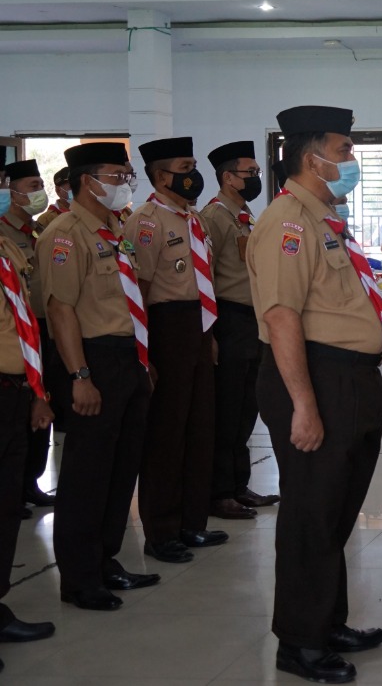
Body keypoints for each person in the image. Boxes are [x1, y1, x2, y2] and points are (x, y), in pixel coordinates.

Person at [248, 105, 382, 684]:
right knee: (311, 512)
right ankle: (300, 642)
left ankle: (328, 622)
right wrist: (304, 406)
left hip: (349, 379)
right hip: (317, 378)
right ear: (313, 158)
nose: (352, 160)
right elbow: (281, 317)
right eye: (344, 149)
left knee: (335, 509)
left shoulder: (325, 220)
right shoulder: (287, 223)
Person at [39, 142, 160, 611]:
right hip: (92, 359)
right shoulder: (65, 235)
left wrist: (143, 359)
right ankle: (79, 577)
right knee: (87, 474)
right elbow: (60, 310)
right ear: (87, 182)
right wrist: (80, 375)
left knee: (121, 466)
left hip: (127, 358)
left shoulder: (114, 230)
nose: (125, 182)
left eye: (127, 175)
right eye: (116, 174)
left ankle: (106, 559)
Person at [125, 137, 227, 564]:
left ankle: (191, 522)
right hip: (165, 327)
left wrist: (209, 333)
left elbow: (203, 279)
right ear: (161, 176)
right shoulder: (146, 222)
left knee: (200, 428)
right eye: (185, 168)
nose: (193, 175)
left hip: (197, 326)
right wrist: (144, 352)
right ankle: (161, 530)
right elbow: (139, 291)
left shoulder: (192, 218)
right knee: (166, 433)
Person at [201, 140, 280, 521]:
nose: (256, 179)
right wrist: (211, 332)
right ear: (228, 178)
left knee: (248, 408)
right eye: (250, 173)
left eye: (257, 172)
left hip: (251, 320)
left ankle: (238, 485)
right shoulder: (214, 217)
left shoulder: (244, 215)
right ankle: (218, 492)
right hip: (228, 318)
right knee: (227, 410)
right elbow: (205, 276)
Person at [0, 171, 57, 657]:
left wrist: (38, 392)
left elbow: (24, 322)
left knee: (4, 509)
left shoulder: (7, 247)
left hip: (15, 389)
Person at [0, 160, 59, 509]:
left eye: (40, 185)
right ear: (12, 193)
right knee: (17, 414)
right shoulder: (4, 233)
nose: (39, 192)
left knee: (42, 405)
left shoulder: (39, 230)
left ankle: (31, 481)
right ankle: (15, 485)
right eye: (32, 186)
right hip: (16, 335)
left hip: (43, 329)